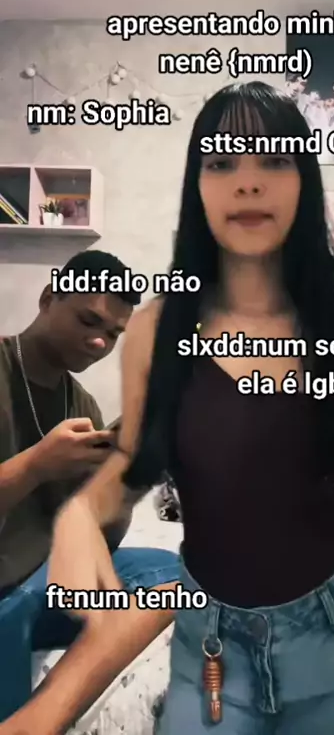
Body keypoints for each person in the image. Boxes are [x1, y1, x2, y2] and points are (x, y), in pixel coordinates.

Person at [1, 84, 334, 735]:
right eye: (222, 162)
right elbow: (133, 466)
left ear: (304, 182)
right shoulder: (156, 329)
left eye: (273, 160)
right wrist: (82, 512)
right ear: (199, 186)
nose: (247, 182)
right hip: (211, 638)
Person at [0, 249, 179, 723]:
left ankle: (44, 710)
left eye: (114, 334)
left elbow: (99, 542)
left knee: (172, 575)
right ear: (47, 298)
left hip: (45, 584)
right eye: (88, 320)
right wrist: (36, 466)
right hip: (6, 592)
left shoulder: (81, 406)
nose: (100, 342)